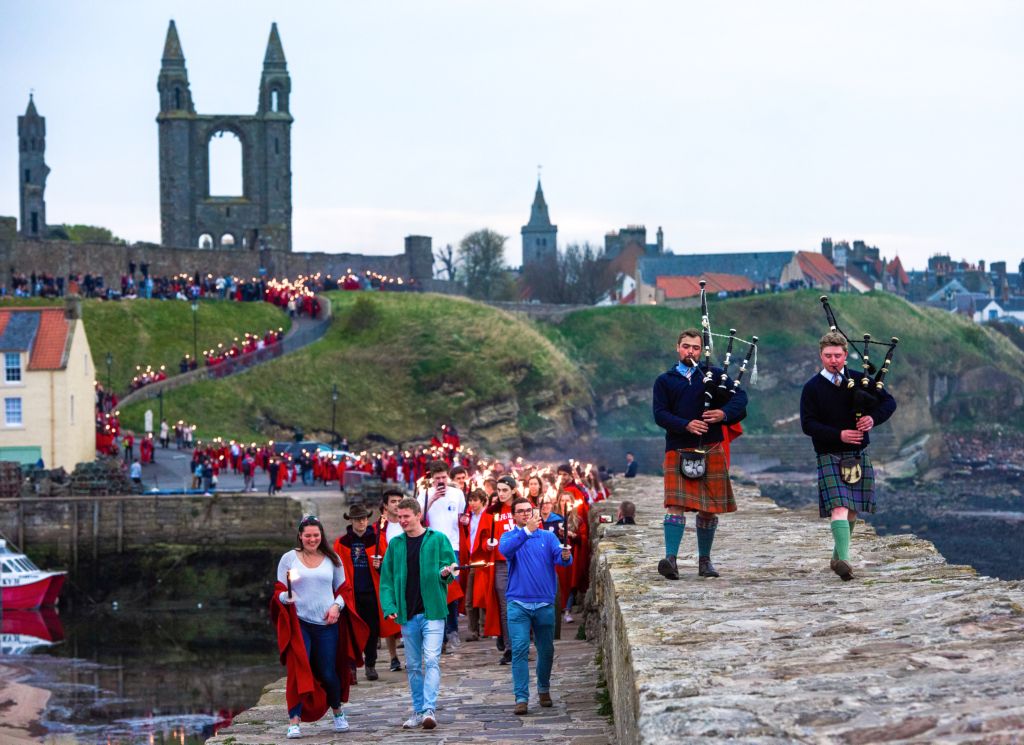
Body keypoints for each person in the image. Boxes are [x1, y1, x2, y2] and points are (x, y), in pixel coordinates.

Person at [652, 328, 748, 580]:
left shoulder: (714, 375)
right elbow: (660, 414)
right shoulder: (665, 380)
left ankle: (705, 561)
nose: (690, 352)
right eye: (686, 346)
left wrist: (723, 414)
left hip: (711, 446)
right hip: (679, 446)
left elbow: (740, 399)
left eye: (695, 348)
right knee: (675, 505)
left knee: (708, 508)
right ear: (677, 347)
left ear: (702, 350)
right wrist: (686, 424)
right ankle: (671, 559)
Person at [800, 331, 896, 581]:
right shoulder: (812, 388)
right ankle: (845, 561)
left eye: (838, 355)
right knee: (840, 507)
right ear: (821, 355)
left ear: (845, 355)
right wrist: (839, 435)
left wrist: (873, 418)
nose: (833, 360)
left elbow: (889, 403)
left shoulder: (860, 380)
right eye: (828, 355)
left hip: (857, 453)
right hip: (829, 454)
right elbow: (808, 424)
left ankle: (837, 557)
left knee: (852, 510)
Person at [272, 515, 368, 739]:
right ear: (300, 536)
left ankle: (337, 711)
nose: (312, 539)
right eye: (308, 535)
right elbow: (278, 590)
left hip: (326, 623)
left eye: (316, 535)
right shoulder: (289, 559)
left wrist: (336, 606)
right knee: (299, 668)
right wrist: (286, 597)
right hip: (300, 623)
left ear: (321, 535)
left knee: (327, 671)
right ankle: (294, 721)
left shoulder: (332, 558)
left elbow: (344, 589)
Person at [379, 497, 458, 731]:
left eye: (405, 516)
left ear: (417, 515)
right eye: (399, 517)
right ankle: (417, 710)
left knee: (432, 659)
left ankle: (429, 710)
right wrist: (389, 606)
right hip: (407, 613)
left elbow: (450, 570)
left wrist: (445, 573)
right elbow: (387, 580)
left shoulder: (438, 539)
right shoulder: (395, 544)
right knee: (413, 665)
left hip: (432, 610)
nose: (401, 520)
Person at [500, 497, 573, 715]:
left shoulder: (549, 537)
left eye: (528, 510)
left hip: (543, 602)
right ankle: (521, 697)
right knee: (520, 649)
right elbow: (506, 551)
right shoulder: (509, 536)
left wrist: (566, 556)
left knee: (546, 650)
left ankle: (543, 688)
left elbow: (561, 560)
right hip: (518, 603)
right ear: (514, 515)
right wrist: (527, 532)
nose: (525, 514)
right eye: (520, 511)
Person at [417, 460, 466, 651]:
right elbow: (418, 518)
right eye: (437, 478)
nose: (441, 481)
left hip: (452, 546)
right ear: (432, 479)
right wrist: (432, 500)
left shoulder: (458, 494)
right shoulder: (425, 494)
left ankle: (452, 629)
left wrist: (463, 519)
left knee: (452, 588)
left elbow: (461, 517)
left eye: (444, 477)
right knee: (436, 590)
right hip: (431, 546)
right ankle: (441, 633)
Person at [335, 504, 384, 680]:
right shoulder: (342, 543)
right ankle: (352, 668)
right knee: (350, 631)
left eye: (364, 518)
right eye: (357, 519)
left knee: (372, 630)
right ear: (351, 521)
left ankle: (370, 664)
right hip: (351, 594)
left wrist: (381, 565)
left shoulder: (377, 539)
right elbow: (335, 569)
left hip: (371, 592)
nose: (361, 522)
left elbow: (388, 565)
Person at [459, 488, 499, 641]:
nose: (472, 503)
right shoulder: (469, 518)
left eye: (475, 500)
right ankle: (473, 630)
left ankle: (484, 628)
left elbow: (489, 536)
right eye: (470, 500)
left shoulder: (488, 517)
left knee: (483, 597)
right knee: (470, 598)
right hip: (472, 560)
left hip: (484, 559)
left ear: (483, 501)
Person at [488, 475, 518, 664]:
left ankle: (522, 643)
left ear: (513, 490)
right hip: (501, 564)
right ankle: (510, 648)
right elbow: (483, 537)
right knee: (506, 608)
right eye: (498, 490)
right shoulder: (492, 512)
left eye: (505, 490)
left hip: (522, 563)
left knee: (523, 605)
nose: (501, 494)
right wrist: (487, 544)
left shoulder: (523, 508)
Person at [376, 487, 406, 672]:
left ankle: (411, 655)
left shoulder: (408, 523)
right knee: (388, 617)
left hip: (408, 574)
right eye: (393, 502)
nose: (396, 505)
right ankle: (393, 657)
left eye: (399, 501)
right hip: (387, 576)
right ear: (385, 506)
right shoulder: (380, 527)